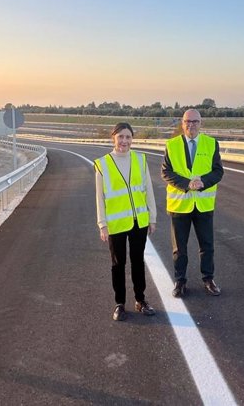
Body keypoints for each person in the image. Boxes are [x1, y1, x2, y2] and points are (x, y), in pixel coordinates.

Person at [95, 122, 157, 321]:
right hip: (116, 224)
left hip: (139, 221)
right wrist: (102, 224)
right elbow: (100, 197)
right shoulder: (103, 164)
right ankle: (120, 304)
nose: (124, 141)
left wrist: (152, 218)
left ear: (132, 139)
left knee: (138, 262)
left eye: (128, 137)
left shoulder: (140, 159)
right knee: (118, 264)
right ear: (113, 138)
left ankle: (141, 300)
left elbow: (148, 190)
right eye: (120, 136)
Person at [161, 109, 224, 298]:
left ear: (201, 123)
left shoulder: (211, 143)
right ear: (182, 123)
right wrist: (187, 184)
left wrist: (203, 182)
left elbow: (218, 171)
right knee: (179, 248)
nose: (191, 125)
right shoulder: (171, 145)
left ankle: (208, 279)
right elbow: (166, 172)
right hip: (179, 205)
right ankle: (180, 281)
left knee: (207, 245)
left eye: (195, 121)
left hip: (203, 206)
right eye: (187, 121)